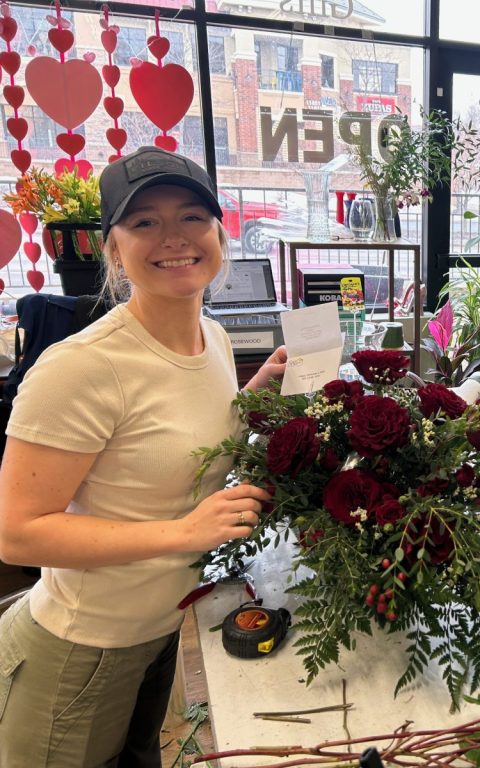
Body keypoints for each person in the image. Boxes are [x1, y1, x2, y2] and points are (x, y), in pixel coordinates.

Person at [0, 146, 287, 767]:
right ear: (112, 248)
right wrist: (183, 532)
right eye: (144, 222)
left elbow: (184, 444)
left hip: (159, 629)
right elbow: (19, 536)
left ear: (219, 231)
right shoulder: (81, 368)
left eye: (192, 217)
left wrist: (257, 390)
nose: (174, 238)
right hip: (82, 647)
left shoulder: (209, 333)